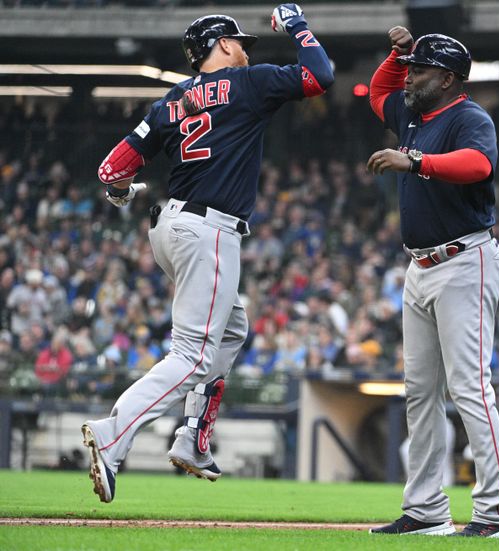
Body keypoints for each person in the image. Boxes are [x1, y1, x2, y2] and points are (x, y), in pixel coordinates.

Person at [81, 6, 333, 504]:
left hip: (170, 227)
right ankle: (113, 435)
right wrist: (297, 24)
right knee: (193, 355)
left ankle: (192, 436)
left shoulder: (171, 100)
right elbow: (319, 75)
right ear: (220, 45)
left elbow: (112, 171)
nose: (245, 50)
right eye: (239, 43)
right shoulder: (249, 83)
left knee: (233, 328)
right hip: (208, 230)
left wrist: (123, 193)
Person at [366, 27, 499, 538]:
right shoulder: (413, 112)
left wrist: (415, 161)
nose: (409, 76)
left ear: (449, 78)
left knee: (470, 388)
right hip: (421, 266)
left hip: (465, 258)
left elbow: (479, 166)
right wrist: (396, 51)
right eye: (409, 67)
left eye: (420, 68)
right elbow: (377, 92)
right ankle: (427, 508)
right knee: (420, 391)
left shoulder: (469, 117)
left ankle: (498, 511)